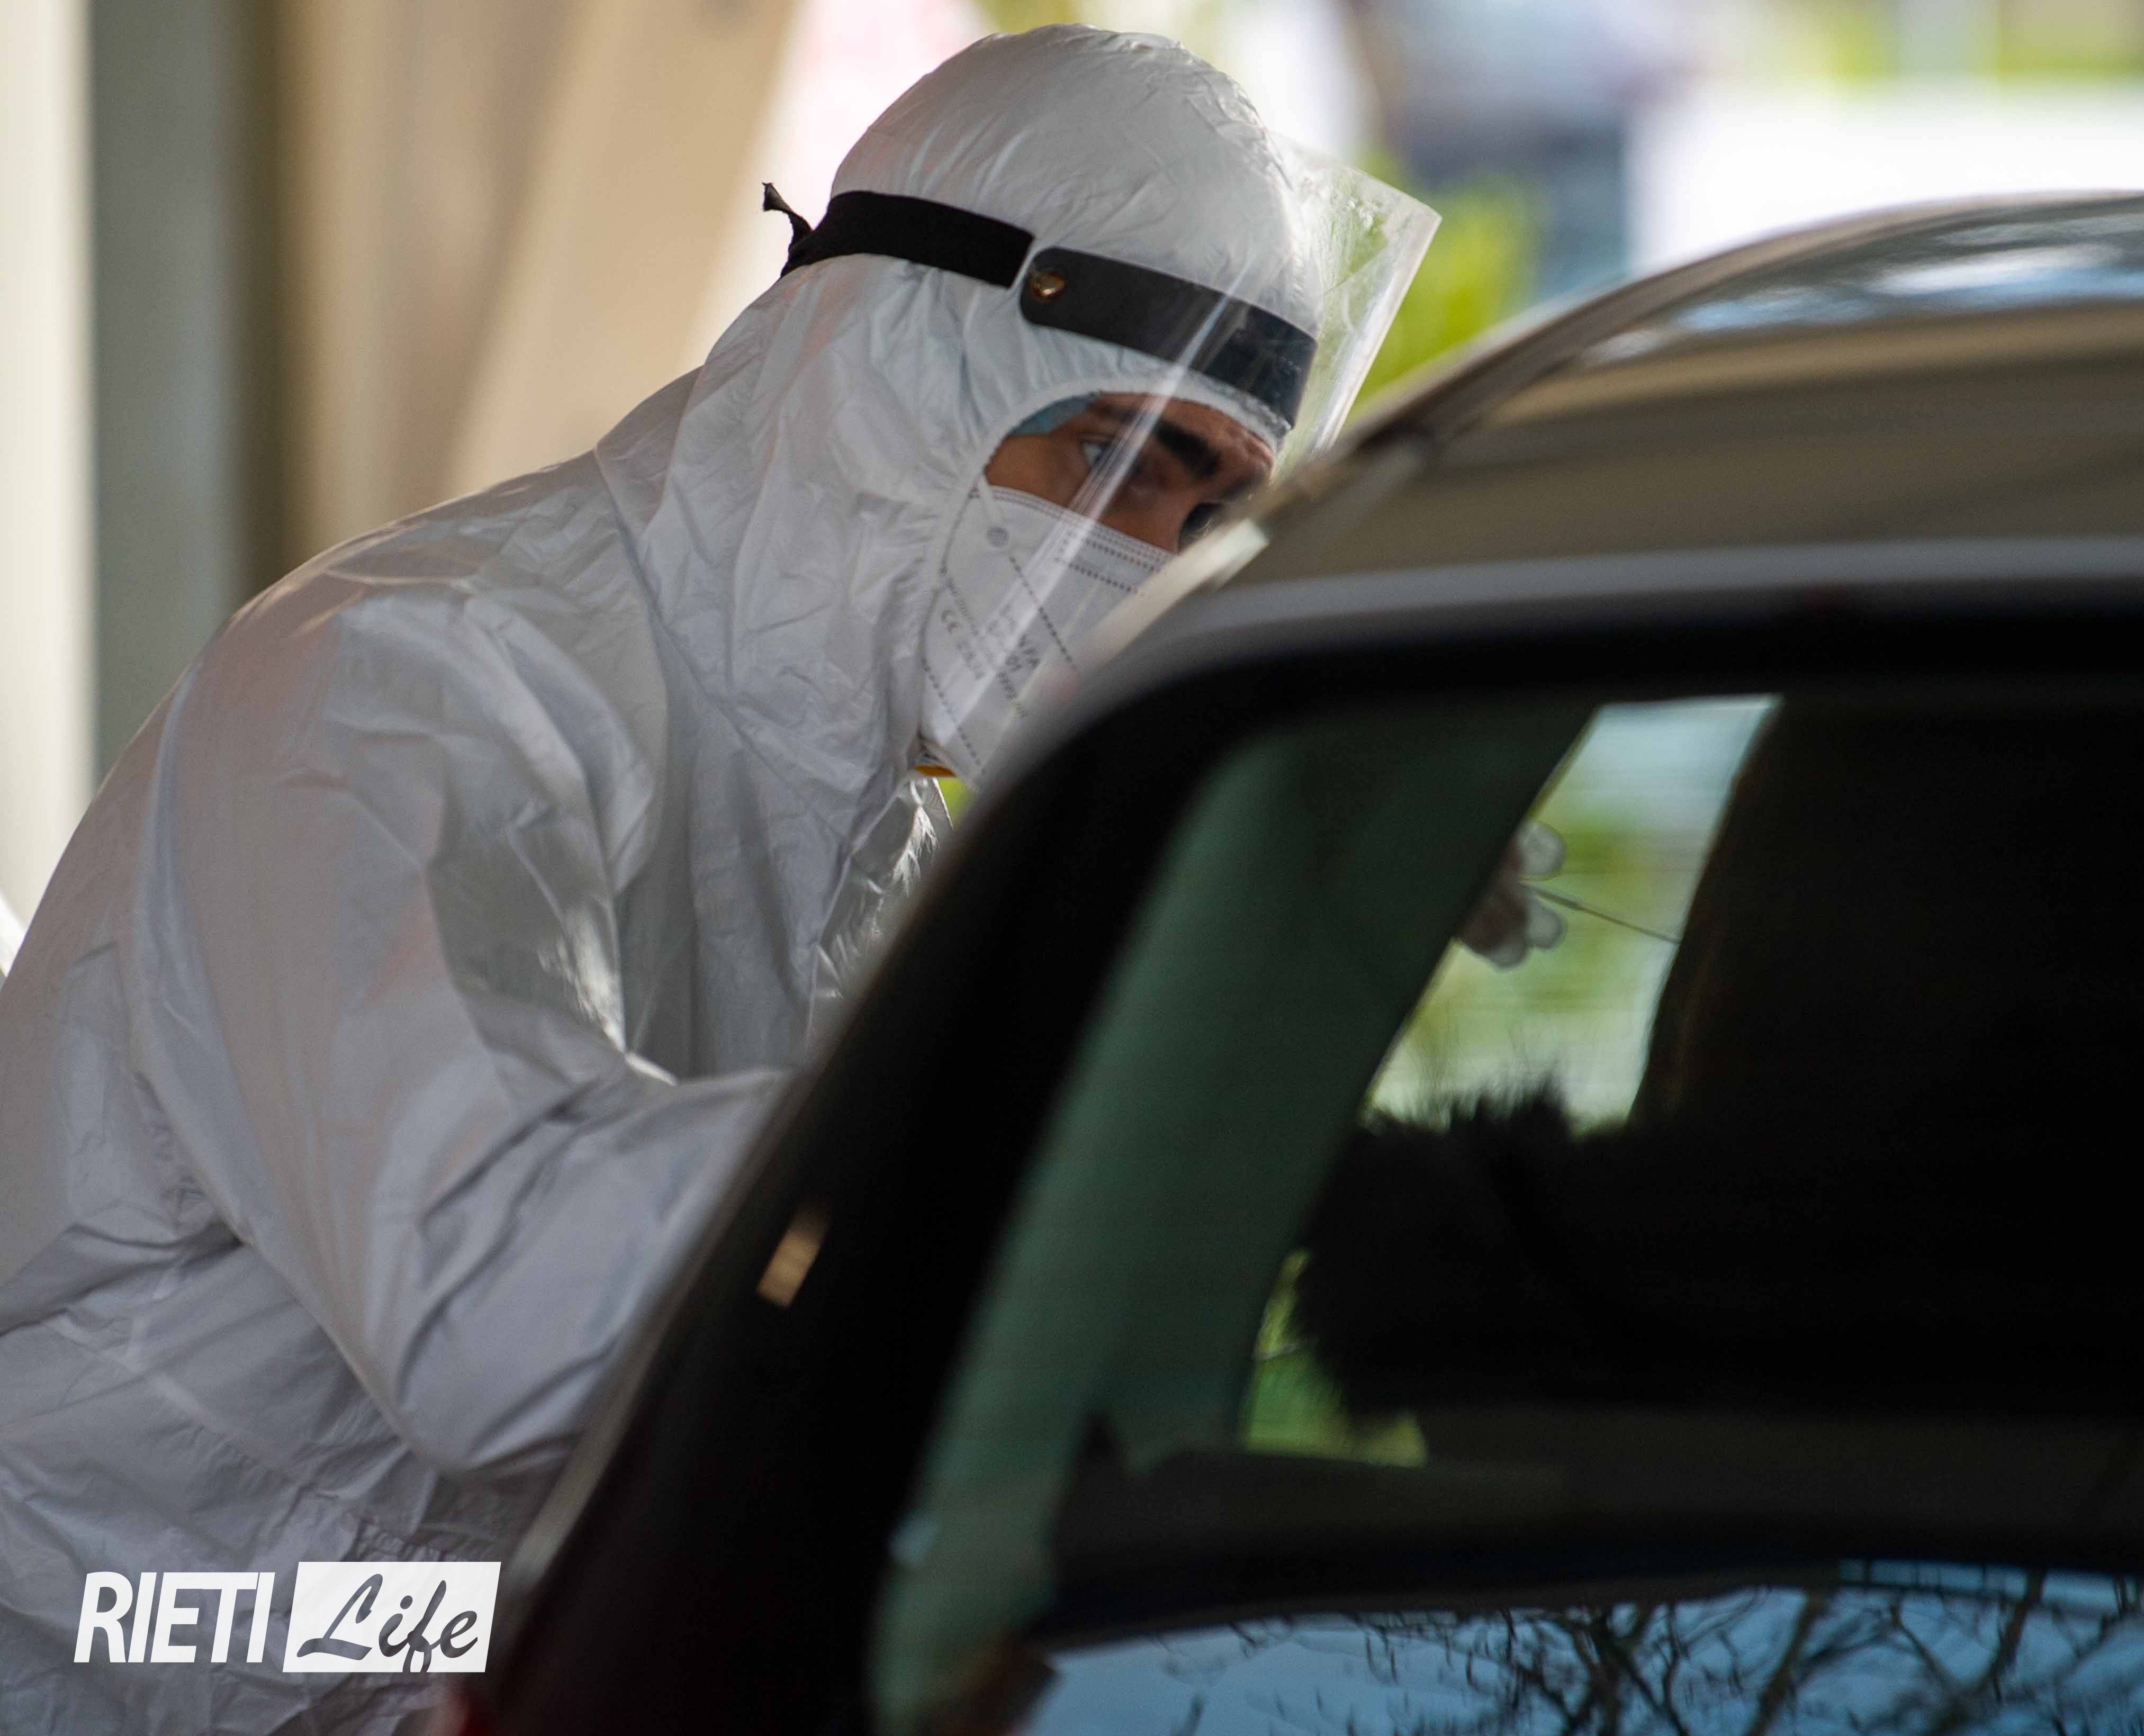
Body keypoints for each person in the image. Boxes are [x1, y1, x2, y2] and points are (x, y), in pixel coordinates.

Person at [0, 26, 1431, 1733]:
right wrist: (1090, 1060)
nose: (1142, 560)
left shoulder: (874, 824)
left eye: (1202, 519)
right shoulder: (404, 686)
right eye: (1115, 459)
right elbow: (501, 1316)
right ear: (893, 372)